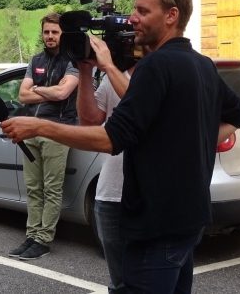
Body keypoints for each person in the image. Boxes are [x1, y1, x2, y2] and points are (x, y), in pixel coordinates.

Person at [0, 0, 240, 293]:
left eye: (143, 11)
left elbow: (110, 138)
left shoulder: (155, 66)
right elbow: (236, 115)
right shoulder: (201, 65)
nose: (132, 18)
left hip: (156, 225)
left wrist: (38, 126)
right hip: (189, 221)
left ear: (171, 16)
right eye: (135, 9)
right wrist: (189, 142)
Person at [75, 44, 147, 294]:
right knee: (120, 284)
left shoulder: (159, 73)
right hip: (110, 193)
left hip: (149, 196)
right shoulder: (113, 75)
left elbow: (145, 107)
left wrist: (107, 66)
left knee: (148, 282)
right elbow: (89, 121)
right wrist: (84, 73)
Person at [8, 12, 80, 261]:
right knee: (33, 188)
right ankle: (32, 235)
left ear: (63, 34)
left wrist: (36, 88)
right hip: (31, 128)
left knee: (51, 188)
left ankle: (43, 239)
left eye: (55, 32)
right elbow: (22, 96)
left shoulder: (72, 60)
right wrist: (47, 90)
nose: (50, 36)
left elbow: (63, 94)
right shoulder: (36, 60)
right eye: (46, 32)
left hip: (56, 129)